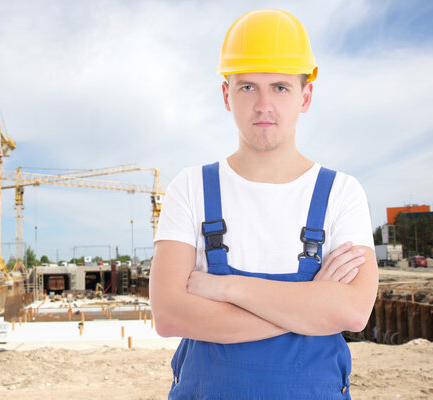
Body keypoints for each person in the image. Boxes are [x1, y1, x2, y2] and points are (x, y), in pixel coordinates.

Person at [149, 9, 378, 399]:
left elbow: (353, 312)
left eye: (280, 88)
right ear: (226, 94)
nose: (263, 105)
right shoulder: (189, 188)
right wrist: (309, 306)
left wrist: (226, 288)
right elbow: (169, 315)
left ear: (305, 96)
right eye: (247, 87)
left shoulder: (342, 192)